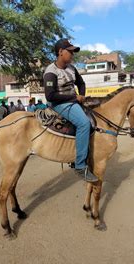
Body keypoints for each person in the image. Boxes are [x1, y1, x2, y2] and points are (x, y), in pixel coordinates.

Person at [43, 38, 97, 183]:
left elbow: (81, 83)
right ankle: (80, 165)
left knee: (94, 118)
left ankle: (75, 155)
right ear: (60, 52)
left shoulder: (72, 69)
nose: (72, 55)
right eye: (70, 52)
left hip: (73, 101)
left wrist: (82, 96)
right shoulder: (51, 71)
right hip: (58, 103)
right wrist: (74, 97)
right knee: (84, 124)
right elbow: (50, 95)